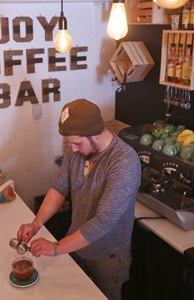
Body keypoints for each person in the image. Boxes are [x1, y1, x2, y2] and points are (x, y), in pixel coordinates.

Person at [16, 98, 141, 300]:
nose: (71, 149)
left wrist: (56, 248)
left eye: (76, 143)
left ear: (94, 135)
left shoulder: (123, 162)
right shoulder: (77, 151)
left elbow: (103, 222)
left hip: (107, 254)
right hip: (75, 242)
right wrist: (36, 223)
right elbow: (60, 188)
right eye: (69, 143)